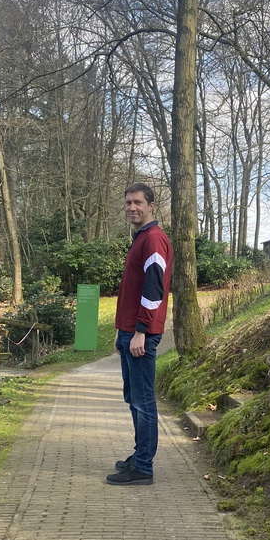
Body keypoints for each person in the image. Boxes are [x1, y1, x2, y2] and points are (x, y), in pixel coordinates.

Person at [106, 183, 173, 485]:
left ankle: (143, 467)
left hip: (141, 333)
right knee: (134, 397)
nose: (132, 207)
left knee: (144, 400)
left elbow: (154, 290)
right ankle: (140, 455)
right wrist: (121, 331)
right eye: (128, 203)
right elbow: (132, 291)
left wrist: (141, 332)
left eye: (137, 203)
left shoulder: (154, 240)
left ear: (151, 205)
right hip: (130, 332)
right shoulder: (141, 239)